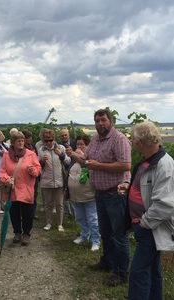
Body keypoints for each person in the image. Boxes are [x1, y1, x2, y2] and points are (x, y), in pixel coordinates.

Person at [70, 109, 131, 286]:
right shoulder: (95, 139)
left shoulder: (119, 139)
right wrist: (74, 155)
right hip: (100, 194)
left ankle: (121, 273)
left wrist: (99, 166)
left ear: (111, 121)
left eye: (103, 120)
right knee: (105, 232)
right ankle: (107, 263)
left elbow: (126, 165)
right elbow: (87, 162)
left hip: (115, 194)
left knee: (119, 235)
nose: (100, 124)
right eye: (97, 121)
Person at [118, 121, 174, 300]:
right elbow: (145, 187)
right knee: (152, 270)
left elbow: (165, 203)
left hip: (150, 227)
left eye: (133, 139)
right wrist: (129, 186)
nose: (132, 143)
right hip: (144, 226)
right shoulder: (148, 161)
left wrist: (144, 223)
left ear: (142, 141)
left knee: (138, 272)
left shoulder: (164, 165)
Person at [0, 131, 41, 246]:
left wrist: (33, 170)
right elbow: (2, 171)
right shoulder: (7, 155)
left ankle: (26, 234)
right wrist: (6, 178)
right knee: (14, 211)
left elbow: (38, 169)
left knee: (28, 212)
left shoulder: (30, 154)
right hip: (13, 188)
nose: (21, 143)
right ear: (13, 142)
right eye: (18, 141)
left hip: (26, 188)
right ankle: (17, 232)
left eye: (22, 140)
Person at [66, 135, 100, 251]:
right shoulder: (73, 161)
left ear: (88, 146)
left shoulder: (91, 159)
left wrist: (78, 154)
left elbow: (85, 164)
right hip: (76, 196)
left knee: (92, 219)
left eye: (82, 145)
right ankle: (84, 235)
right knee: (80, 218)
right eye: (78, 144)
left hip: (89, 196)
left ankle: (96, 240)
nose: (79, 147)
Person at [38, 129, 71, 232]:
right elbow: (38, 166)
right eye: (46, 140)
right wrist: (42, 161)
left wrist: (61, 155)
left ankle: (60, 224)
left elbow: (68, 162)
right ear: (43, 140)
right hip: (46, 181)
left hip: (59, 180)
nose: (48, 142)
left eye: (50, 140)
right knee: (48, 204)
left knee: (59, 204)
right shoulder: (41, 150)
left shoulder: (61, 148)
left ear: (54, 139)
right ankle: (48, 223)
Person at [22, 129, 39, 219]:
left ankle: (32, 212)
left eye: (30, 137)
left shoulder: (32, 147)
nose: (29, 139)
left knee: (34, 193)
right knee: (25, 193)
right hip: (25, 174)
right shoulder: (21, 149)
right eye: (27, 138)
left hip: (34, 172)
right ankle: (25, 213)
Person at [59, 128, 76, 218]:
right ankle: (66, 212)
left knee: (72, 190)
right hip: (63, 170)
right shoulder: (58, 146)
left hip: (74, 169)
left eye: (65, 135)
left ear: (69, 135)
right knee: (64, 190)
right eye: (62, 135)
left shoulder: (75, 143)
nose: (64, 137)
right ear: (59, 137)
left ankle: (74, 212)